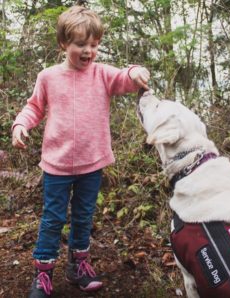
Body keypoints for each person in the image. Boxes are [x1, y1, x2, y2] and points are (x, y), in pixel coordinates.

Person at [12, 5, 150, 298]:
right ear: (64, 43)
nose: (88, 51)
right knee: (53, 218)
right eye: (81, 45)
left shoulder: (101, 74)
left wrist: (137, 71)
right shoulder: (48, 76)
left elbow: (125, 78)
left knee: (84, 217)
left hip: (92, 163)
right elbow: (34, 107)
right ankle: (43, 273)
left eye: (94, 45)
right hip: (57, 164)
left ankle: (78, 267)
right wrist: (20, 125)